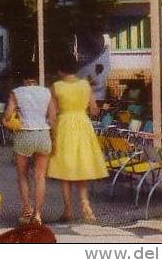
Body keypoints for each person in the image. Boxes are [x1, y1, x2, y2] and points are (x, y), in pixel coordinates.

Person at [47, 57, 108, 224]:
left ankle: (67, 210)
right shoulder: (85, 85)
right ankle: (85, 204)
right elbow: (94, 110)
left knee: (64, 171)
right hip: (83, 125)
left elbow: (52, 115)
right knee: (81, 167)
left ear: (60, 71)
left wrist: (52, 135)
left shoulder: (56, 87)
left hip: (64, 126)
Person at [3, 69, 55, 226]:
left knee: (23, 175)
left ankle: (27, 210)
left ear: (23, 79)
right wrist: (54, 137)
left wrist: (14, 117)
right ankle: (38, 214)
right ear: (37, 78)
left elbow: (7, 116)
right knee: (40, 176)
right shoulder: (47, 92)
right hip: (43, 134)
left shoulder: (16, 93)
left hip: (24, 135)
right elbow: (52, 117)